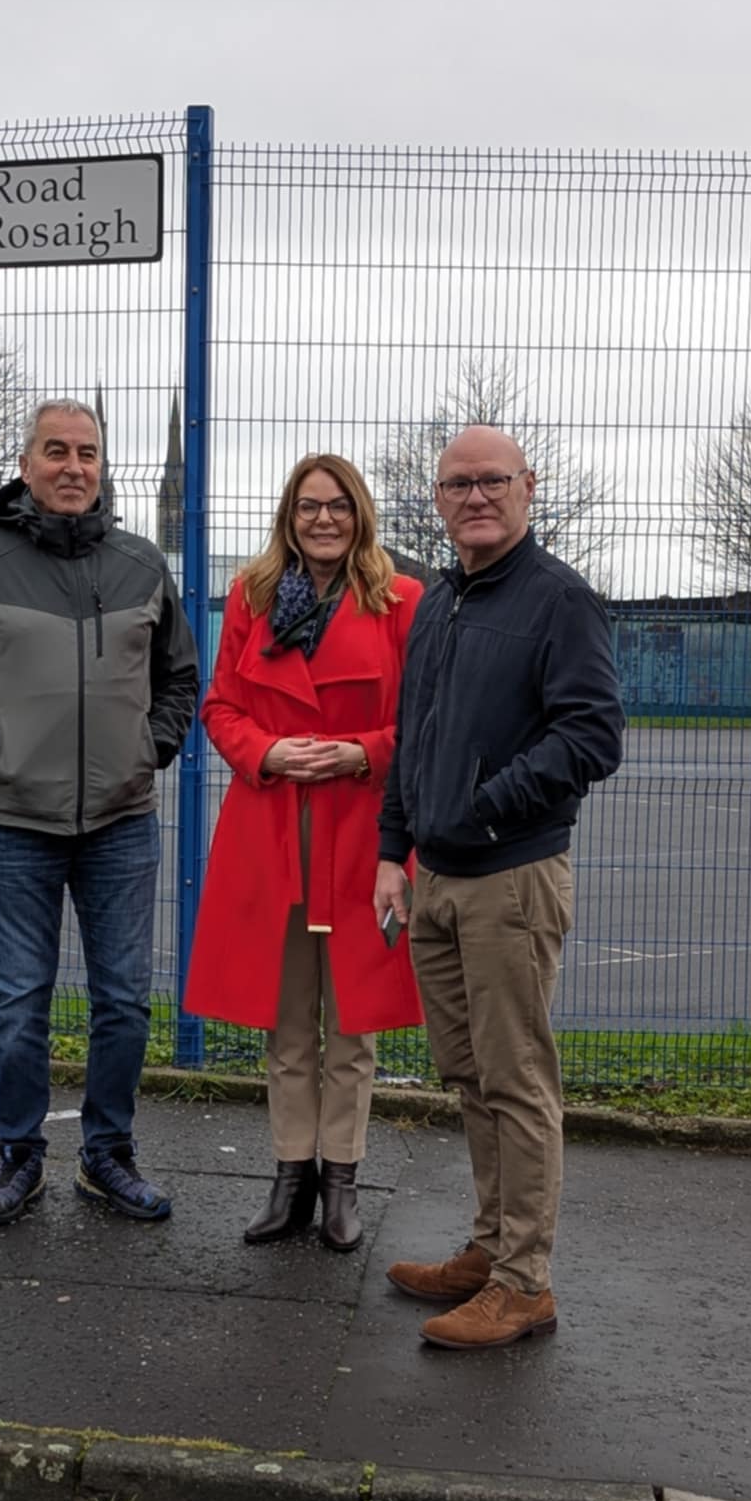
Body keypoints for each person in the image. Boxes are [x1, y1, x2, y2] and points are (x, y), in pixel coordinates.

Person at [0, 398, 199, 1228]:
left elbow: (181, 676)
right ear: (27, 465)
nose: (74, 467)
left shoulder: (143, 565)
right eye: (57, 451)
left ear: (103, 467)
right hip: (14, 822)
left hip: (121, 819)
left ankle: (107, 1155)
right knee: (18, 1005)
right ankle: (19, 1157)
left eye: (88, 453)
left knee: (124, 1002)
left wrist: (150, 746)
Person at [374, 426, 624, 1347]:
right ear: (438, 499)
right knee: (470, 1074)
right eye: (458, 484)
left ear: (528, 487)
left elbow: (592, 734)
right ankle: (490, 1247)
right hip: (435, 876)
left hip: (510, 876)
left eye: (493, 481)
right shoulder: (440, 601)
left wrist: (487, 804)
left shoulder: (560, 600)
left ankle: (525, 1284)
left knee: (516, 1081)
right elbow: (413, 734)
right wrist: (395, 848)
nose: (475, 497)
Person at [185, 454, 422, 1251]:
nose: (324, 519)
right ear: (289, 516)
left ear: (360, 515)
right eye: (309, 506)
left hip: (363, 831)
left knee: (353, 1023)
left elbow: (424, 721)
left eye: (338, 505)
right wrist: (268, 752)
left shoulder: (401, 601)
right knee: (287, 1022)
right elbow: (221, 706)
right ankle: (291, 1177)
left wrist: (362, 752)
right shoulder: (252, 598)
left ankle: (341, 1180)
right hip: (273, 830)